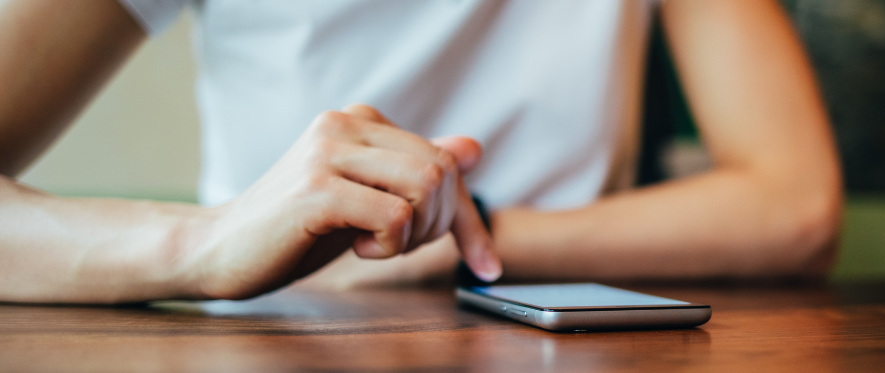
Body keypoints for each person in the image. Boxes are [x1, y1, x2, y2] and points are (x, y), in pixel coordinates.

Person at [0, 0, 842, 303]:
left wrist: (458, 252)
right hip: (278, 343)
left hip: (560, 339)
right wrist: (207, 243)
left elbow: (796, 204)